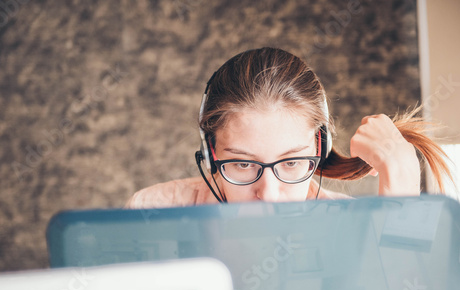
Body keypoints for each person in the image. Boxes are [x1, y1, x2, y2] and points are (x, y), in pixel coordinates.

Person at [126, 47, 452, 209]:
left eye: (292, 163)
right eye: (242, 163)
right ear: (211, 153)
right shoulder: (154, 210)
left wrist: (402, 176)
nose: (267, 195)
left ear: (318, 149)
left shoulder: (348, 223)